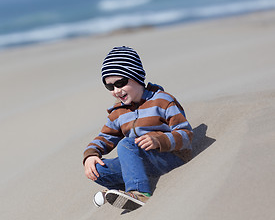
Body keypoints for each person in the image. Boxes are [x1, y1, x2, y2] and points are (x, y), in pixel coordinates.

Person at [83, 46, 193, 211]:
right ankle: (124, 189)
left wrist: (158, 141)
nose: (116, 91)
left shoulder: (162, 101)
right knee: (97, 169)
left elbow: (186, 134)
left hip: (169, 156)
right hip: (140, 163)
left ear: (136, 76)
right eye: (110, 87)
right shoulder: (118, 112)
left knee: (126, 145)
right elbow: (104, 137)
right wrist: (90, 156)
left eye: (120, 83)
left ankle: (139, 193)